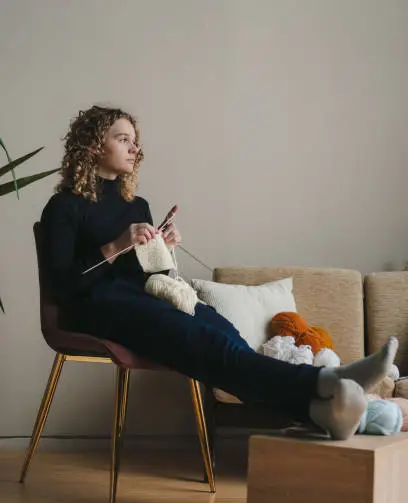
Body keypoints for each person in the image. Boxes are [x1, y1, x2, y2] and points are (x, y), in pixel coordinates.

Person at [40, 105, 398, 441]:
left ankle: (318, 411)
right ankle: (325, 381)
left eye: (135, 141)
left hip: (143, 297)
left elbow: (152, 271)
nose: (135, 149)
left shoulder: (138, 205)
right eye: (123, 139)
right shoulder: (64, 207)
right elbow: (63, 287)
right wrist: (115, 245)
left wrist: (165, 248)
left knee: (225, 335)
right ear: (92, 144)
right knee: (209, 344)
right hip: (97, 307)